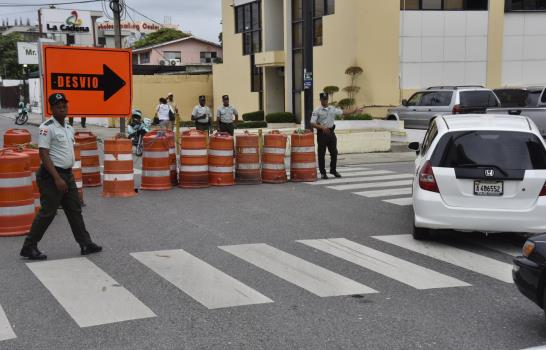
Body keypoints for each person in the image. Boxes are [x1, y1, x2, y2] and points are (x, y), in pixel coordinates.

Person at [20, 93, 102, 260]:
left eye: (64, 105)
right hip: (52, 176)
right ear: (52, 109)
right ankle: (29, 247)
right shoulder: (47, 127)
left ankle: (85, 243)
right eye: (58, 106)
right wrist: (57, 178)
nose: (62, 108)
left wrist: (65, 177)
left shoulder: (68, 127)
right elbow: (43, 154)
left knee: (74, 210)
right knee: (48, 212)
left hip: (67, 174)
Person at [310, 92, 343, 180]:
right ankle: (323, 173)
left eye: (326, 99)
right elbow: (312, 123)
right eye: (323, 99)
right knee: (321, 154)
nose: (325, 101)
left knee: (334, 152)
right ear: (320, 100)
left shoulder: (332, 108)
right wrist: (322, 127)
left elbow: (342, 112)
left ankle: (333, 170)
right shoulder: (317, 110)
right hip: (322, 134)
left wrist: (354, 111)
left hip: (331, 132)